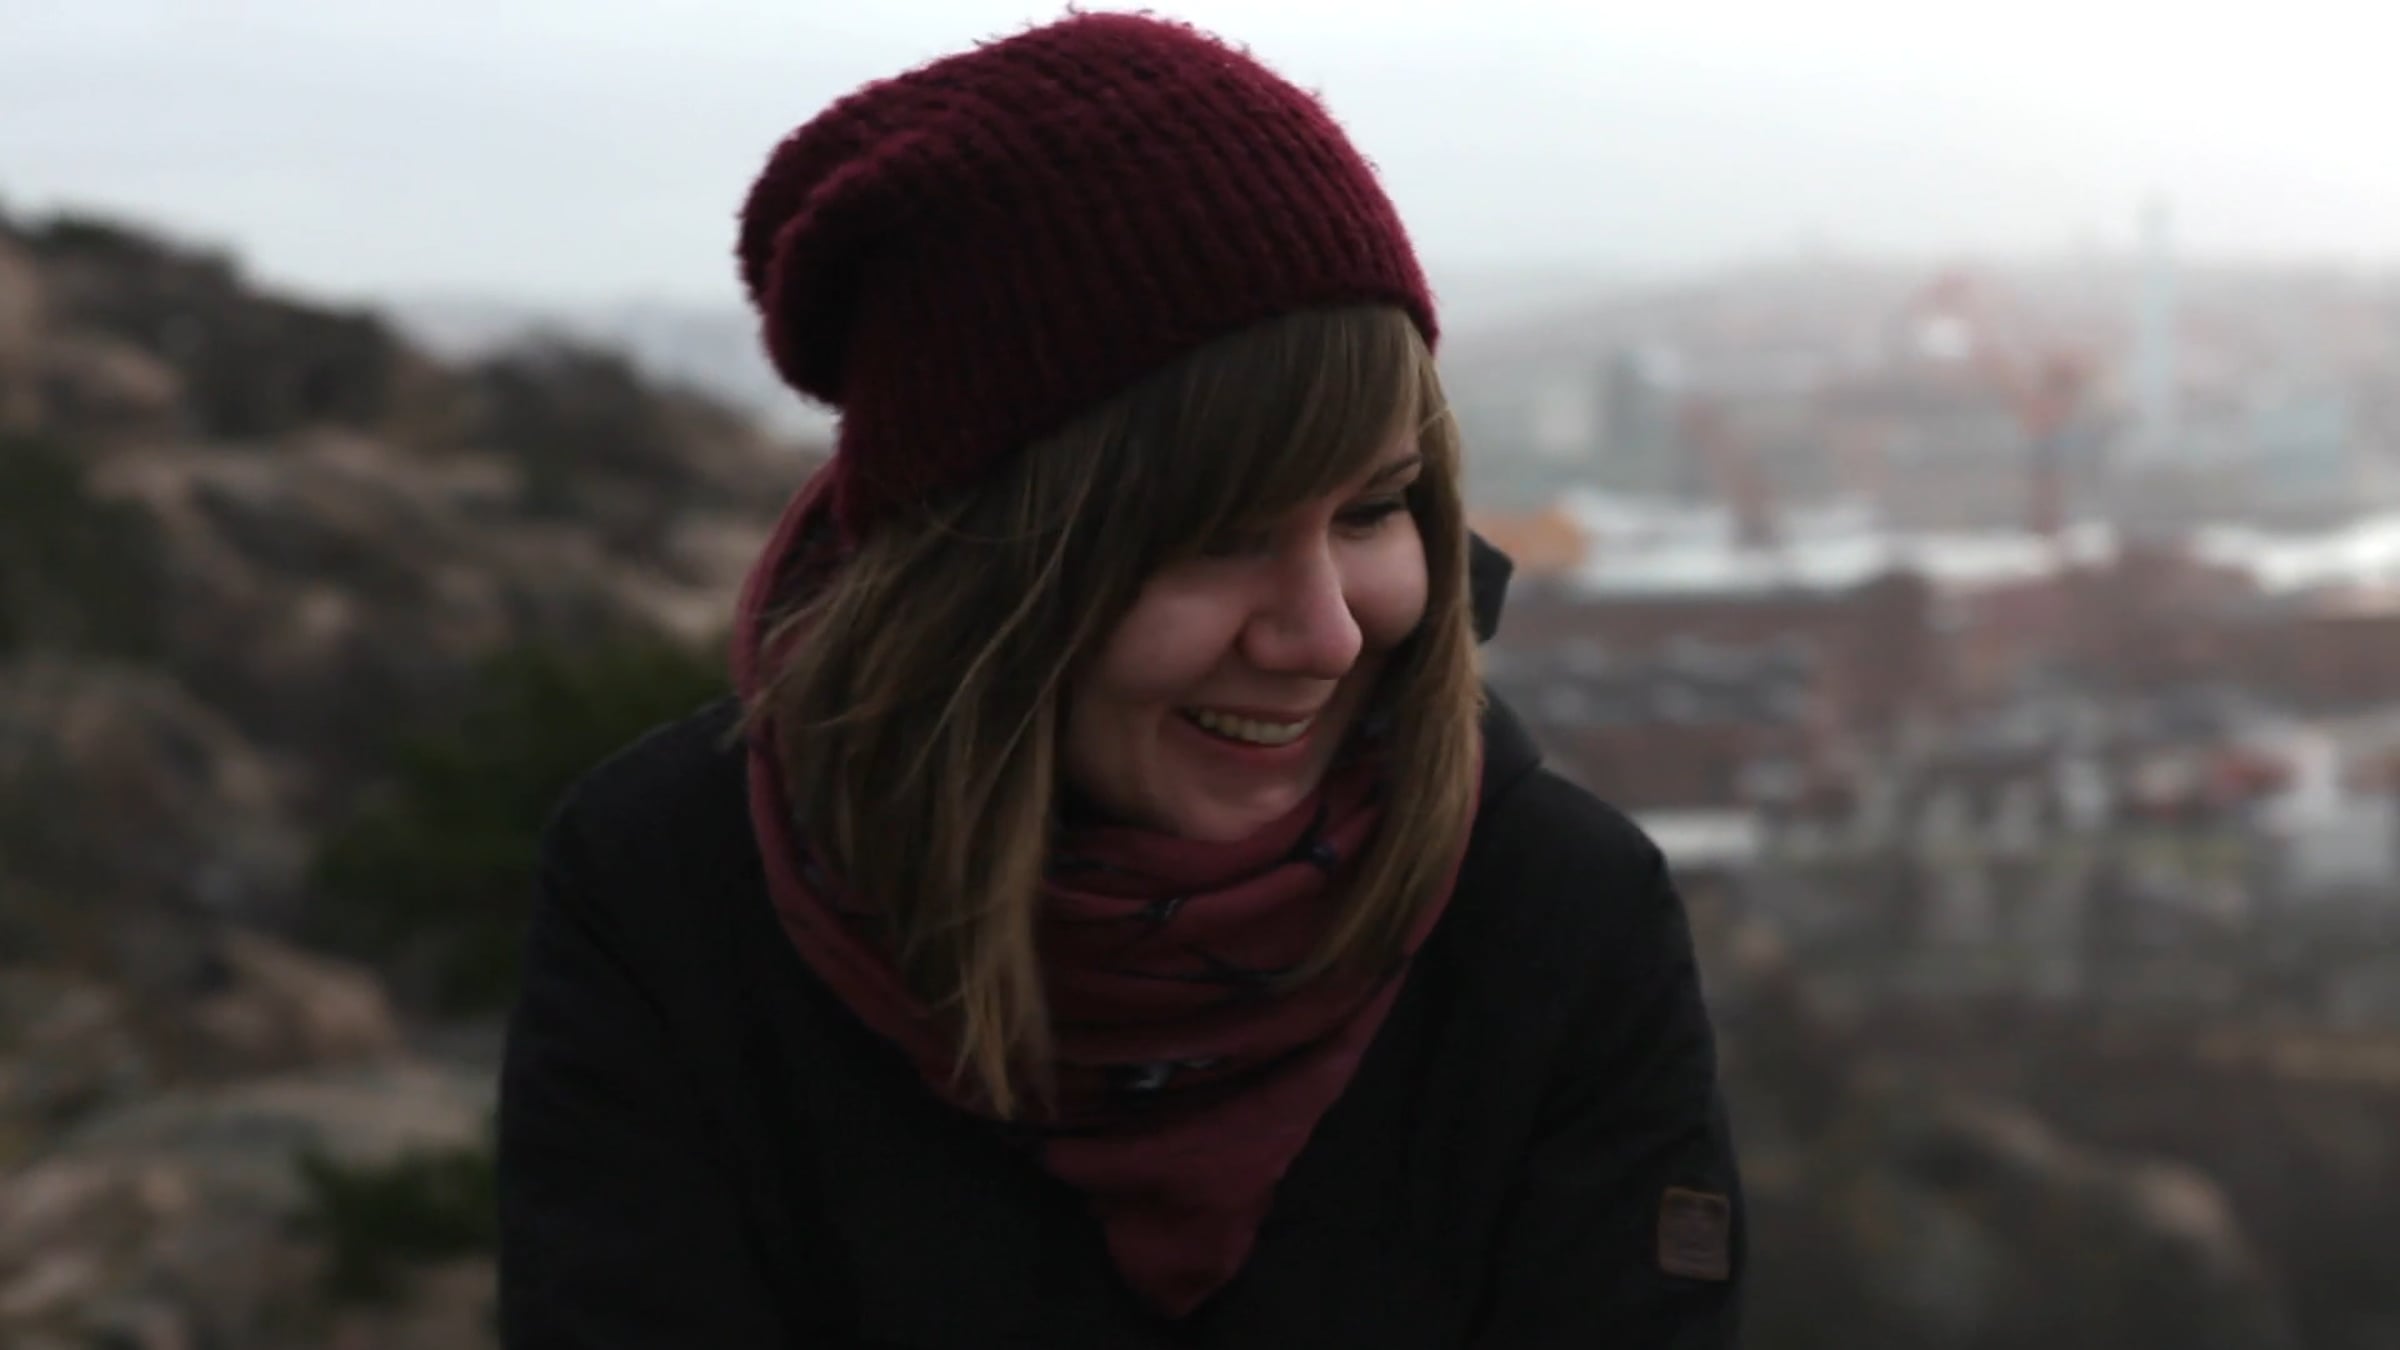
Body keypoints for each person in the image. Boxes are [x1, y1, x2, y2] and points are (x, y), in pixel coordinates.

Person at [496, 12, 1744, 1347]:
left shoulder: (1554, 916)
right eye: (1218, 535)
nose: (1324, 635)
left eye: (1373, 510)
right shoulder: (675, 895)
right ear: (980, 569)